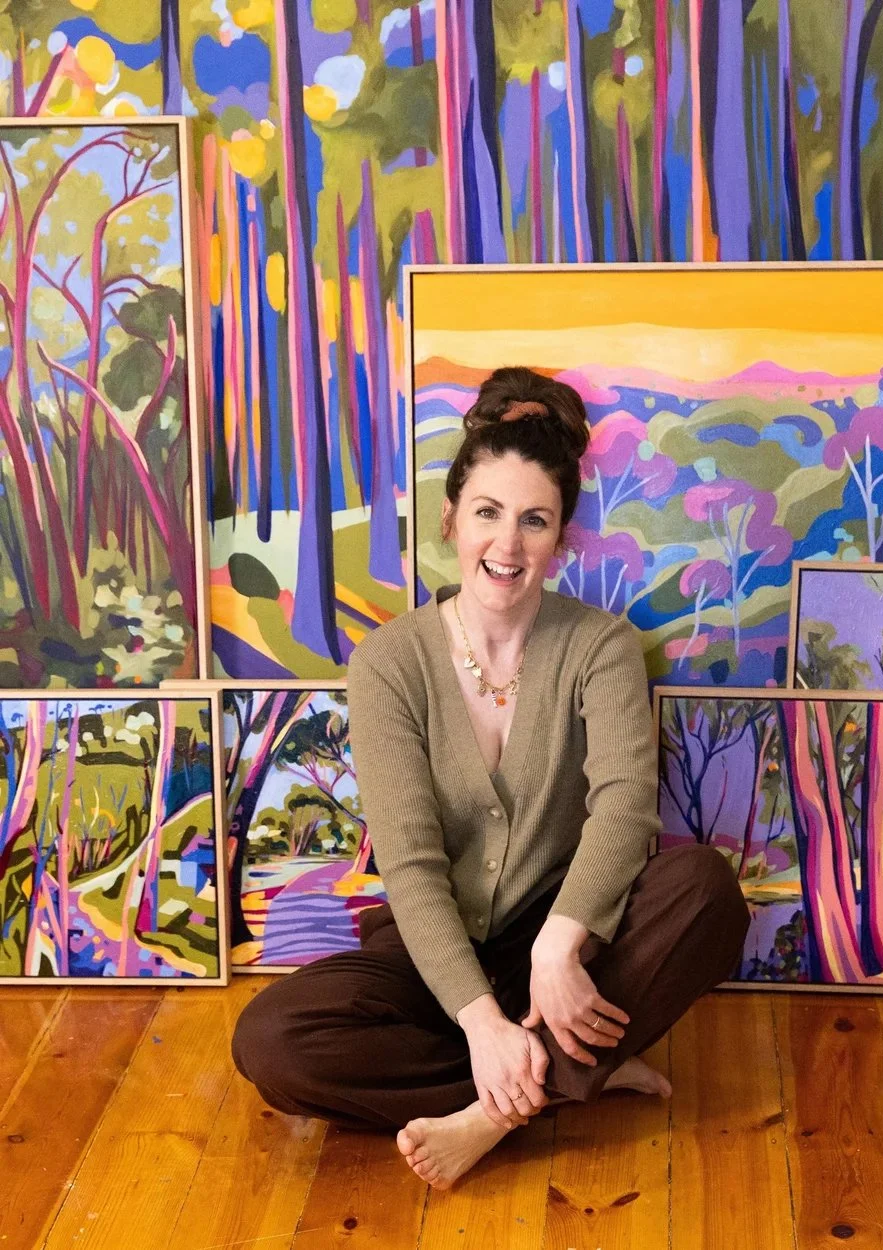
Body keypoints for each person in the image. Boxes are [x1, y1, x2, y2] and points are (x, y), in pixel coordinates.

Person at [231, 366, 750, 1190]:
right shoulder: (390, 662)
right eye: (487, 512)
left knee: (706, 892)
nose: (507, 545)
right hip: (434, 948)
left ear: (560, 536)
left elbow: (624, 809)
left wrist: (558, 944)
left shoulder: (603, 646)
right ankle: (568, 1070)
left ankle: (493, 1113)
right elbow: (411, 865)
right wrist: (480, 1022)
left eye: (533, 520)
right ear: (451, 517)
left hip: (566, 943)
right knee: (271, 1042)